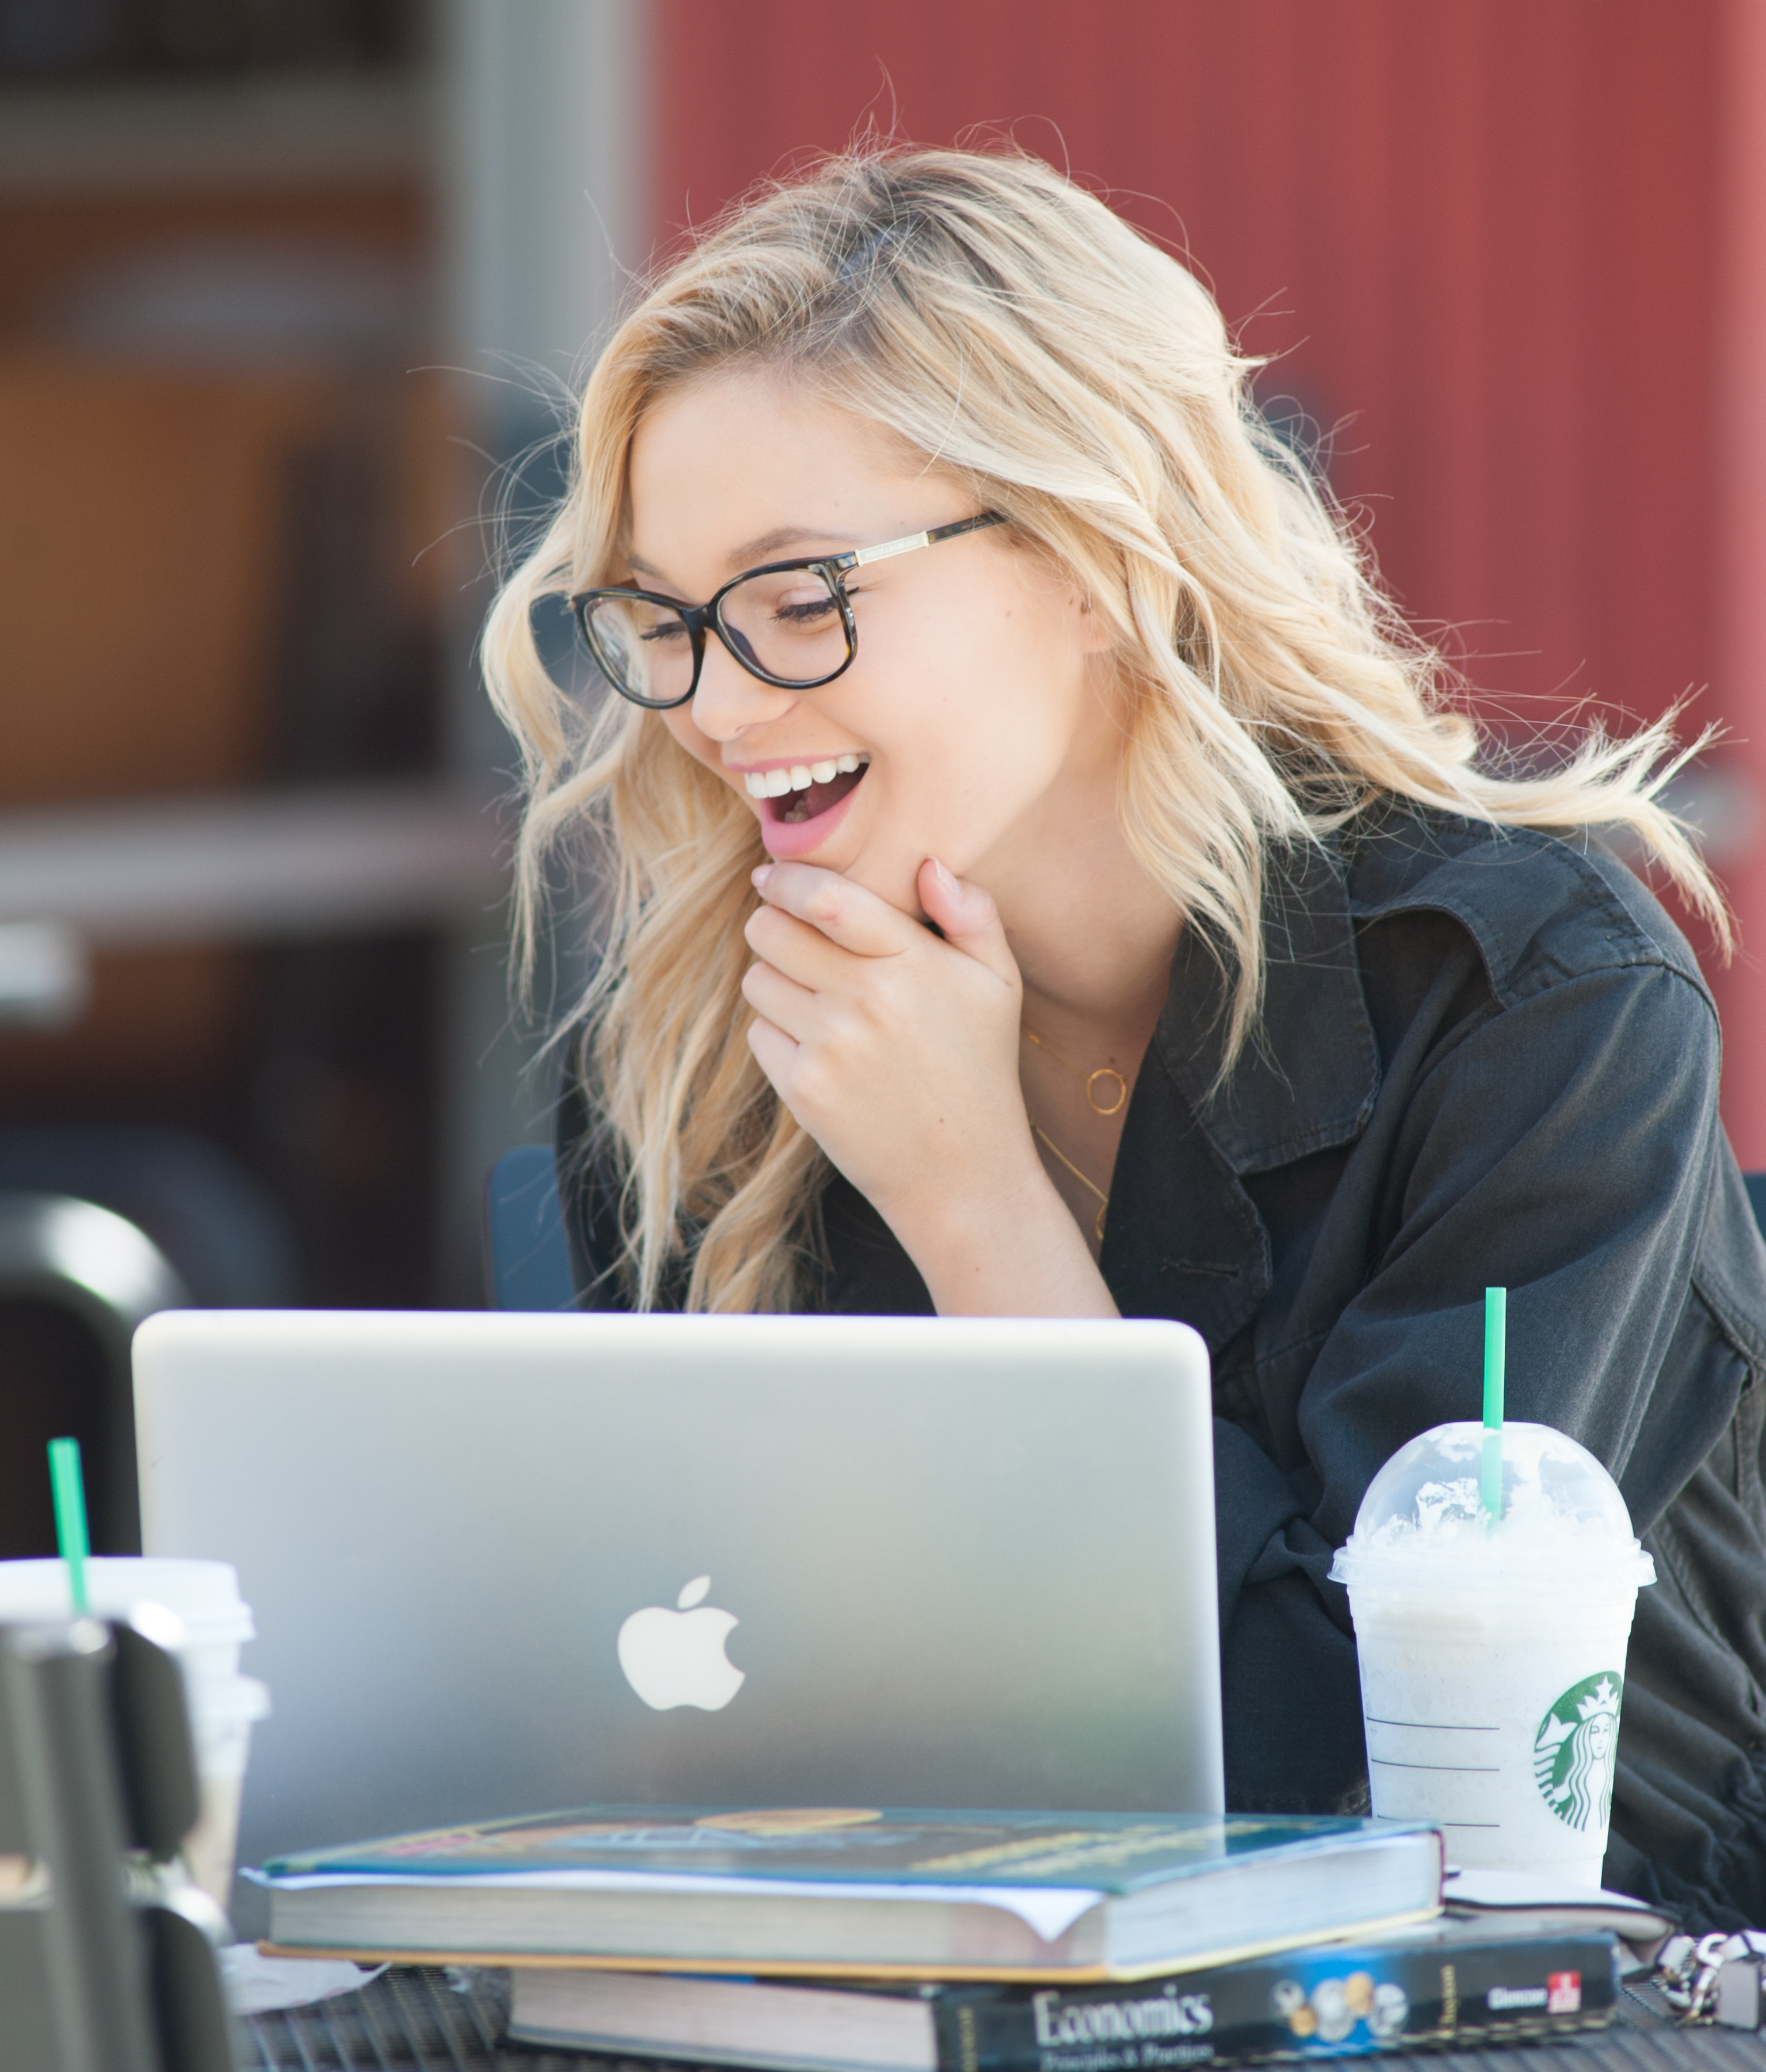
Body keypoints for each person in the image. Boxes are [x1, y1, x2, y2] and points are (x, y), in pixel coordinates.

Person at [482, 147, 1766, 1928]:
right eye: (665, 621)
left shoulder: (1531, 1005)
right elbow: (671, 1688)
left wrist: (976, 1209)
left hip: (1545, 1997)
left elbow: (1330, 1773)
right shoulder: (704, 1043)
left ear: (1093, 559)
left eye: (799, 600)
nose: (710, 700)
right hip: (918, 1964)